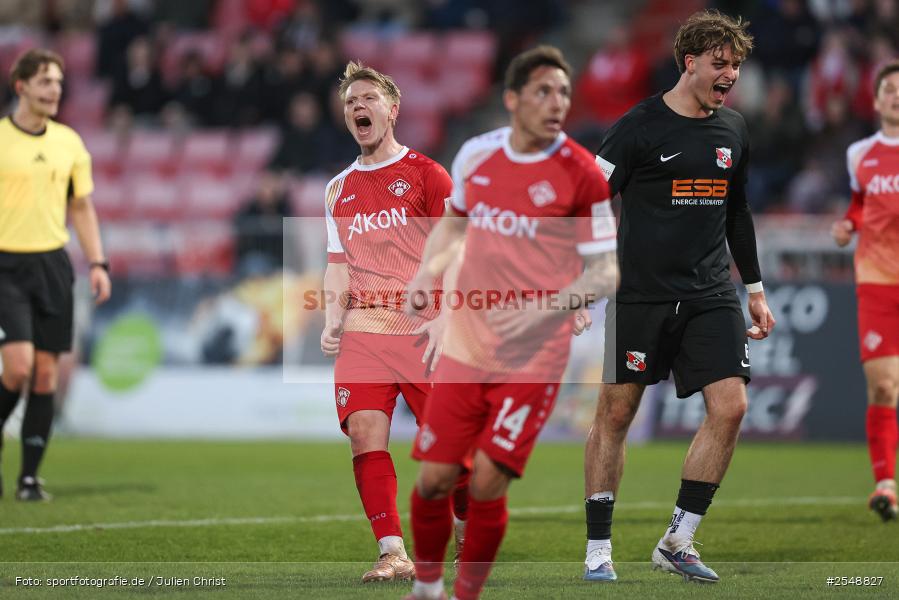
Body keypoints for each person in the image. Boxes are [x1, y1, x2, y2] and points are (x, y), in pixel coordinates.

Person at [403, 45, 619, 600]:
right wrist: (429, 271)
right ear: (513, 100)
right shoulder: (476, 155)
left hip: (534, 354)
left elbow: (605, 272)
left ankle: (464, 595)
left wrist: (552, 308)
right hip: (467, 344)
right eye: (544, 91)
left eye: (565, 93)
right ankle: (426, 588)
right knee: (433, 482)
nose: (557, 103)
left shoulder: (583, 175)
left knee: (488, 483)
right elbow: (453, 227)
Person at [582, 10, 775, 583]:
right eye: (720, 63)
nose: (730, 74)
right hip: (640, 295)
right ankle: (598, 550)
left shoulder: (734, 129)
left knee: (732, 406)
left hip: (712, 293)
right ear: (689, 62)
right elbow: (591, 198)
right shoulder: (637, 126)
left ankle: (678, 539)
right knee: (615, 416)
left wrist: (756, 289)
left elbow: (736, 210)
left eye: (736, 65)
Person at [320, 61, 468, 583]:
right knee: (364, 434)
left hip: (423, 329)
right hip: (365, 333)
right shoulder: (338, 189)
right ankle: (392, 551)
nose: (358, 107)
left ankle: (469, 523)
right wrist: (332, 317)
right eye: (349, 103)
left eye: (368, 99)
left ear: (392, 109)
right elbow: (338, 265)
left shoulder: (428, 175)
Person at [0, 49, 111, 501]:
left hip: (52, 266)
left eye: (60, 83)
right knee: (19, 367)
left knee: (46, 377)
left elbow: (81, 208)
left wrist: (98, 262)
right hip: (6, 264)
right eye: (45, 81)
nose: (54, 90)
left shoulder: (69, 144)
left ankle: (28, 478)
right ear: (21, 86)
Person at [831, 59, 899, 522]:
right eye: (889, 89)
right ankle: (885, 484)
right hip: (876, 281)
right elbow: (859, 203)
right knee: (884, 386)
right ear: (876, 101)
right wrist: (847, 224)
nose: (897, 95)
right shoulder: (859, 154)